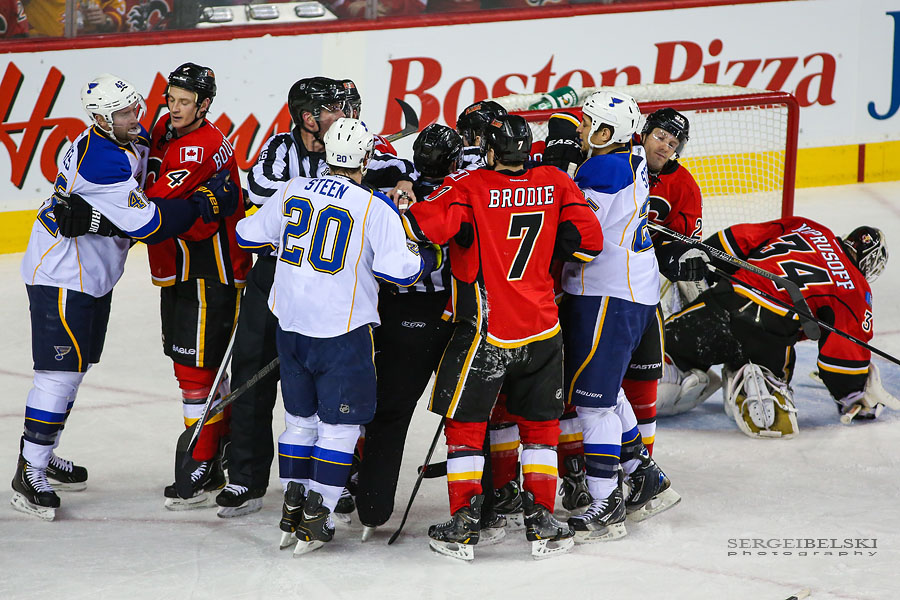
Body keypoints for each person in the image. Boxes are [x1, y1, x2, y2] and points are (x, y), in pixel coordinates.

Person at [12, 73, 239, 521]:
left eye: (135, 108)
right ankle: (30, 468)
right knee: (58, 374)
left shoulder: (128, 139)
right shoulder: (103, 161)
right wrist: (202, 204)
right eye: (123, 114)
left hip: (91, 274)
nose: (137, 118)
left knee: (75, 369)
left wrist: (97, 219)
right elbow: (150, 224)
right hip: (62, 274)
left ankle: (43, 447)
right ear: (99, 119)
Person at [402, 114, 604, 561]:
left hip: (487, 333)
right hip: (544, 330)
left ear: (490, 151)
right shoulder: (553, 180)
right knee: (540, 428)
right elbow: (589, 243)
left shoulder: (469, 186)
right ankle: (542, 522)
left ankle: (465, 521)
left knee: (466, 426)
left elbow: (420, 228)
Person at [235, 117, 438, 555]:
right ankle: (319, 512)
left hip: (289, 330)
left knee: (299, 422)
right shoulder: (374, 208)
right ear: (365, 158)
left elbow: (246, 233)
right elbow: (401, 271)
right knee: (340, 427)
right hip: (341, 334)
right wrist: (416, 244)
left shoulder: (292, 190)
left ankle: (292, 503)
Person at [559, 91, 681, 543]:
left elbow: (576, 234)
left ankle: (606, 503)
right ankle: (642, 472)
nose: (581, 128)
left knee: (593, 402)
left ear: (607, 132)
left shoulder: (604, 167)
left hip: (607, 294)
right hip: (630, 291)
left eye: (588, 122)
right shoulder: (628, 159)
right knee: (606, 394)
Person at [659, 219, 890, 436]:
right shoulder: (855, 289)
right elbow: (839, 361)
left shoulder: (807, 226)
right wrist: (854, 392)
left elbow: (737, 239)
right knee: (770, 373)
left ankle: (665, 375)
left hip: (722, 303)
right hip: (770, 336)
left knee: (657, 355)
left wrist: (705, 262)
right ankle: (749, 376)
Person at [139, 63, 251, 510]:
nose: (174, 107)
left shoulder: (195, 149)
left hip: (208, 273)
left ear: (205, 106)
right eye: (171, 98)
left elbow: (151, 213)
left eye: (185, 101)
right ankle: (215, 453)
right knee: (204, 369)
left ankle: (202, 461)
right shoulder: (168, 128)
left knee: (196, 371)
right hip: (191, 269)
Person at [354, 124, 462, 540]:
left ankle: (372, 507)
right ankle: (484, 502)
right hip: (457, 313)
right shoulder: (465, 188)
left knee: (391, 412)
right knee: (469, 416)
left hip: (401, 315)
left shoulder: (390, 189)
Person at [455, 100, 508, 170]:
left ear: (477, 138)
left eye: (464, 135)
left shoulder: (462, 160)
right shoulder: (518, 159)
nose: (462, 140)